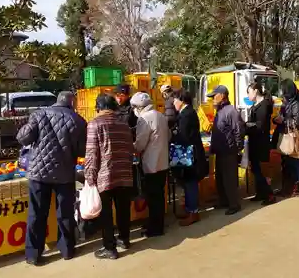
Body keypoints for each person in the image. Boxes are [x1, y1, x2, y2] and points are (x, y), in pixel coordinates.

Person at [17, 91, 87, 266]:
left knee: (37, 213)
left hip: (38, 174)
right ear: (72, 103)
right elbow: (82, 151)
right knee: (65, 214)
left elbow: (23, 138)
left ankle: (33, 254)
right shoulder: (78, 121)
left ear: (57, 101)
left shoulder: (39, 114)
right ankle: (66, 249)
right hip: (64, 175)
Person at [84, 94, 135, 260]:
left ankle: (110, 248)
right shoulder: (124, 124)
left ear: (98, 107)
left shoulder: (95, 124)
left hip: (105, 176)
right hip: (125, 174)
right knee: (123, 209)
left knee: (106, 214)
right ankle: (124, 239)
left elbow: (92, 154)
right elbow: (130, 150)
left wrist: (89, 178)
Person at [131, 92, 170, 237]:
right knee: (159, 196)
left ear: (139, 107)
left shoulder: (144, 119)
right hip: (162, 162)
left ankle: (155, 228)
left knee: (152, 197)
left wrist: (131, 146)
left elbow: (140, 144)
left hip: (151, 164)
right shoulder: (160, 116)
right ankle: (157, 224)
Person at [171, 89, 208, 226]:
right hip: (187, 153)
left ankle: (193, 212)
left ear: (181, 100)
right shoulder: (186, 113)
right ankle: (189, 209)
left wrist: (173, 135)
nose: (173, 102)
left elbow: (184, 136)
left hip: (188, 154)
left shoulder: (186, 115)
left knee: (190, 182)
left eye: (175, 99)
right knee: (187, 182)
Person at [208, 85, 245, 215]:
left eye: (214, 96)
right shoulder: (220, 111)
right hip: (220, 150)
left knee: (229, 179)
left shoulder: (231, 111)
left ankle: (234, 204)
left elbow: (238, 130)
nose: (212, 99)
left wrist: (238, 148)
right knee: (220, 178)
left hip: (229, 151)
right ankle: (224, 201)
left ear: (222, 96)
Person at [245, 82, 276, 205]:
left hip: (260, 142)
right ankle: (261, 193)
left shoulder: (264, 105)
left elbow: (260, 125)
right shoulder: (255, 105)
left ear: (255, 91)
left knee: (260, 170)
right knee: (255, 169)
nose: (248, 95)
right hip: (254, 141)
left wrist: (246, 125)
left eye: (249, 92)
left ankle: (269, 194)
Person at [273, 80, 299, 196]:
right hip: (285, 135)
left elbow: (297, 122)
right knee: (285, 163)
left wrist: (284, 120)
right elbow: (282, 115)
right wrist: (277, 119)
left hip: (292, 136)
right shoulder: (286, 101)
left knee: (294, 162)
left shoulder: (297, 103)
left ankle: (296, 188)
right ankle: (285, 188)